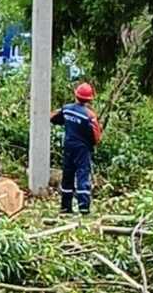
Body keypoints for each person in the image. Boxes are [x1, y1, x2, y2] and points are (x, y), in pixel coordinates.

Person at [51, 82, 102, 214]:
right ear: (90, 99)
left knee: (67, 175)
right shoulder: (89, 116)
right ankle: (83, 207)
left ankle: (65, 207)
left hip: (68, 147)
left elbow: (54, 118)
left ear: (76, 95)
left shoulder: (66, 109)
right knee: (82, 175)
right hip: (82, 150)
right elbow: (96, 137)